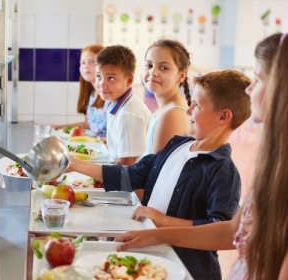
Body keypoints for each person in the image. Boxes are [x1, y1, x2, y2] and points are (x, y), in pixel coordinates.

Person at [113, 33, 288, 280]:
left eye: (258, 79)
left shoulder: (224, 169)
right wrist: (156, 232)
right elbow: (231, 231)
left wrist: (161, 226)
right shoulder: (274, 160)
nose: (250, 89)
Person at [68, 69, 252, 279]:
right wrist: (74, 164)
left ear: (224, 116)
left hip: (186, 270)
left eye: (197, 105)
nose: (188, 110)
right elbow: (131, 175)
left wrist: (162, 220)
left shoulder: (223, 171)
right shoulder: (177, 145)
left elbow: (218, 230)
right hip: (153, 259)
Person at [95, 45, 152, 165]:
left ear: (129, 80)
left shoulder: (127, 115)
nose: (102, 84)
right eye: (99, 76)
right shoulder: (117, 103)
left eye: (111, 78)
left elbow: (125, 167)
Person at [142, 39, 191, 156]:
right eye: (149, 65)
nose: (153, 72)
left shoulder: (172, 114)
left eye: (164, 68)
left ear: (181, 76)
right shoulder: (163, 110)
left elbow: (155, 170)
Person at [52, 44, 109, 137]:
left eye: (92, 62)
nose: (86, 66)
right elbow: (87, 125)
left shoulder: (109, 96)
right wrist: (57, 127)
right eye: (83, 62)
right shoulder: (91, 94)